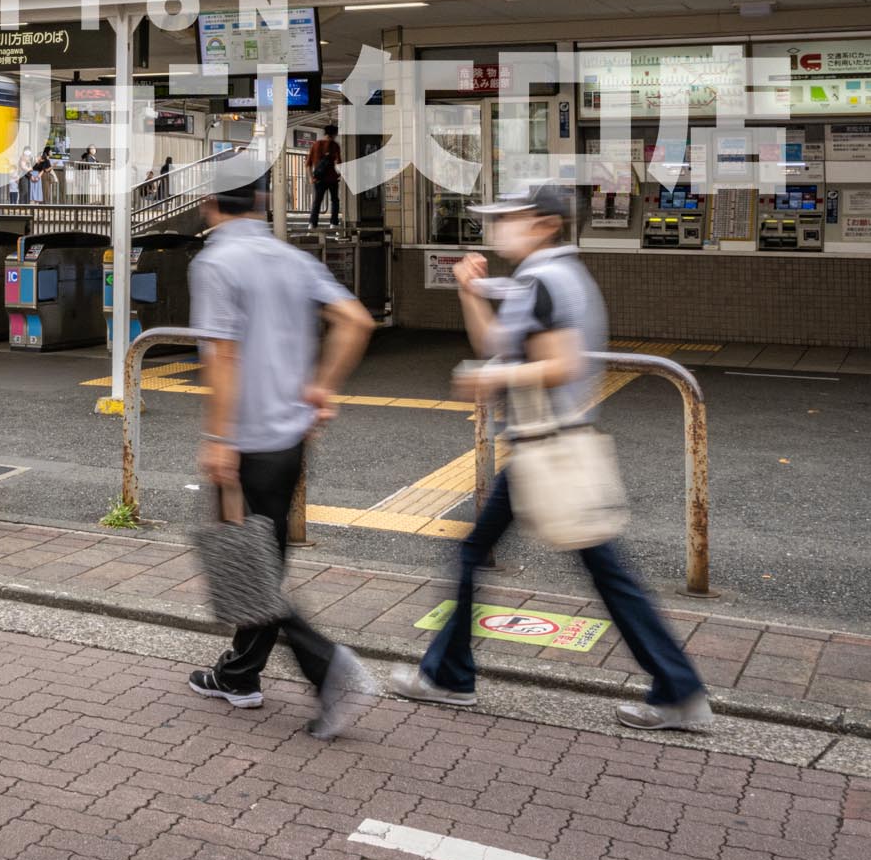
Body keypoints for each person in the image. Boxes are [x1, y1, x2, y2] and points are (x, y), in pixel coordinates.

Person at [386, 183, 712, 732]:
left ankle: (677, 688)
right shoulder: (550, 278)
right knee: (557, 564)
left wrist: (491, 378)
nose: (499, 228)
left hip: (549, 446)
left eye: (509, 218)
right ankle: (449, 674)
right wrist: (469, 292)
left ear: (543, 224)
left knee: (592, 569)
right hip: (547, 442)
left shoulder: (544, 280)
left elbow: (557, 364)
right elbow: (497, 342)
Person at [184, 177, 381, 739]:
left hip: (245, 439)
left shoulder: (216, 261)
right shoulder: (292, 258)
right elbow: (356, 320)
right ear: (264, 205)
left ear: (210, 204)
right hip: (290, 439)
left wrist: (219, 438)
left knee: (246, 568)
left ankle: (328, 667)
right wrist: (323, 385)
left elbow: (222, 355)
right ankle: (240, 675)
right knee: (258, 557)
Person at [307, 136, 343, 230]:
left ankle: (312, 224)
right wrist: (339, 174)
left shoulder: (316, 145)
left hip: (319, 179)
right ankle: (333, 223)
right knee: (335, 201)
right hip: (332, 179)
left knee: (317, 201)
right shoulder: (335, 145)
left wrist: (311, 178)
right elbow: (339, 162)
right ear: (334, 134)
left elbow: (308, 164)